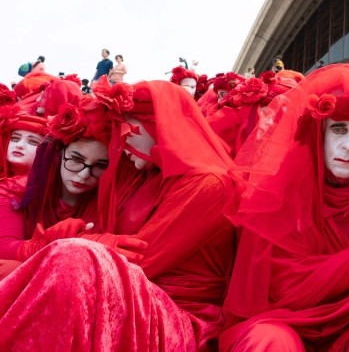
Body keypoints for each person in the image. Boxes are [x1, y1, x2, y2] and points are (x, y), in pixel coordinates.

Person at [0, 78, 237, 349]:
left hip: (176, 314)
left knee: (74, 257)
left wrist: (82, 244)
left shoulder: (209, 183)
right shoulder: (145, 174)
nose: (120, 141)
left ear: (155, 126)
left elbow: (142, 259)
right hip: (135, 294)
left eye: (127, 128)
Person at [220, 64, 349, 351]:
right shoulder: (278, 195)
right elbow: (288, 287)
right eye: (338, 129)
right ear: (318, 133)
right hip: (283, 320)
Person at [0, 97, 115, 279]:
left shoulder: (113, 199)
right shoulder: (15, 189)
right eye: (76, 160)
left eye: (100, 165)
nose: (84, 174)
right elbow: (5, 248)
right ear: (58, 154)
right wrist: (64, 243)